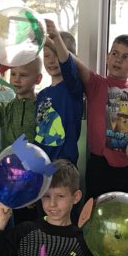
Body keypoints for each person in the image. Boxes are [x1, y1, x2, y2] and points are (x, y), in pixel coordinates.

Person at [74, 35, 128, 200]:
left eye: (126, 57)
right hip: (99, 165)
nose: (118, 60)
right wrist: (54, 41)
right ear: (107, 56)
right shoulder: (96, 84)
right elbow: (73, 62)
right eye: (115, 54)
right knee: (96, 214)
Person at [36, 23, 84, 167]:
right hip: (42, 162)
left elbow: (67, 65)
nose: (51, 60)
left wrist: (56, 38)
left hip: (63, 164)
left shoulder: (72, 87)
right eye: (47, 56)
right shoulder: (42, 94)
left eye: (57, 54)